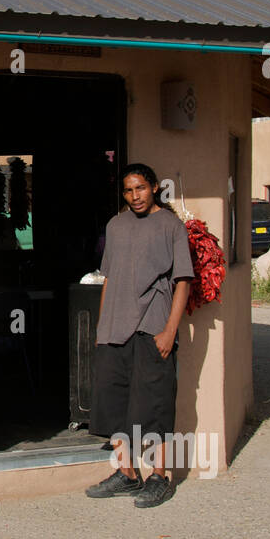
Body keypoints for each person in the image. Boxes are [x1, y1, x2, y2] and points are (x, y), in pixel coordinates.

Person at [85, 163, 193, 508]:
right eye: (129, 191)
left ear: (154, 188)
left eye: (141, 189)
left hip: (152, 326)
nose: (135, 196)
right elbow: (110, 279)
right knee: (113, 400)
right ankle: (128, 473)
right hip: (115, 329)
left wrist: (169, 330)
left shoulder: (171, 226)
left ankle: (161, 476)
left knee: (155, 402)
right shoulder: (116, 226)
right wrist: (103, 327)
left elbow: (183, 281)